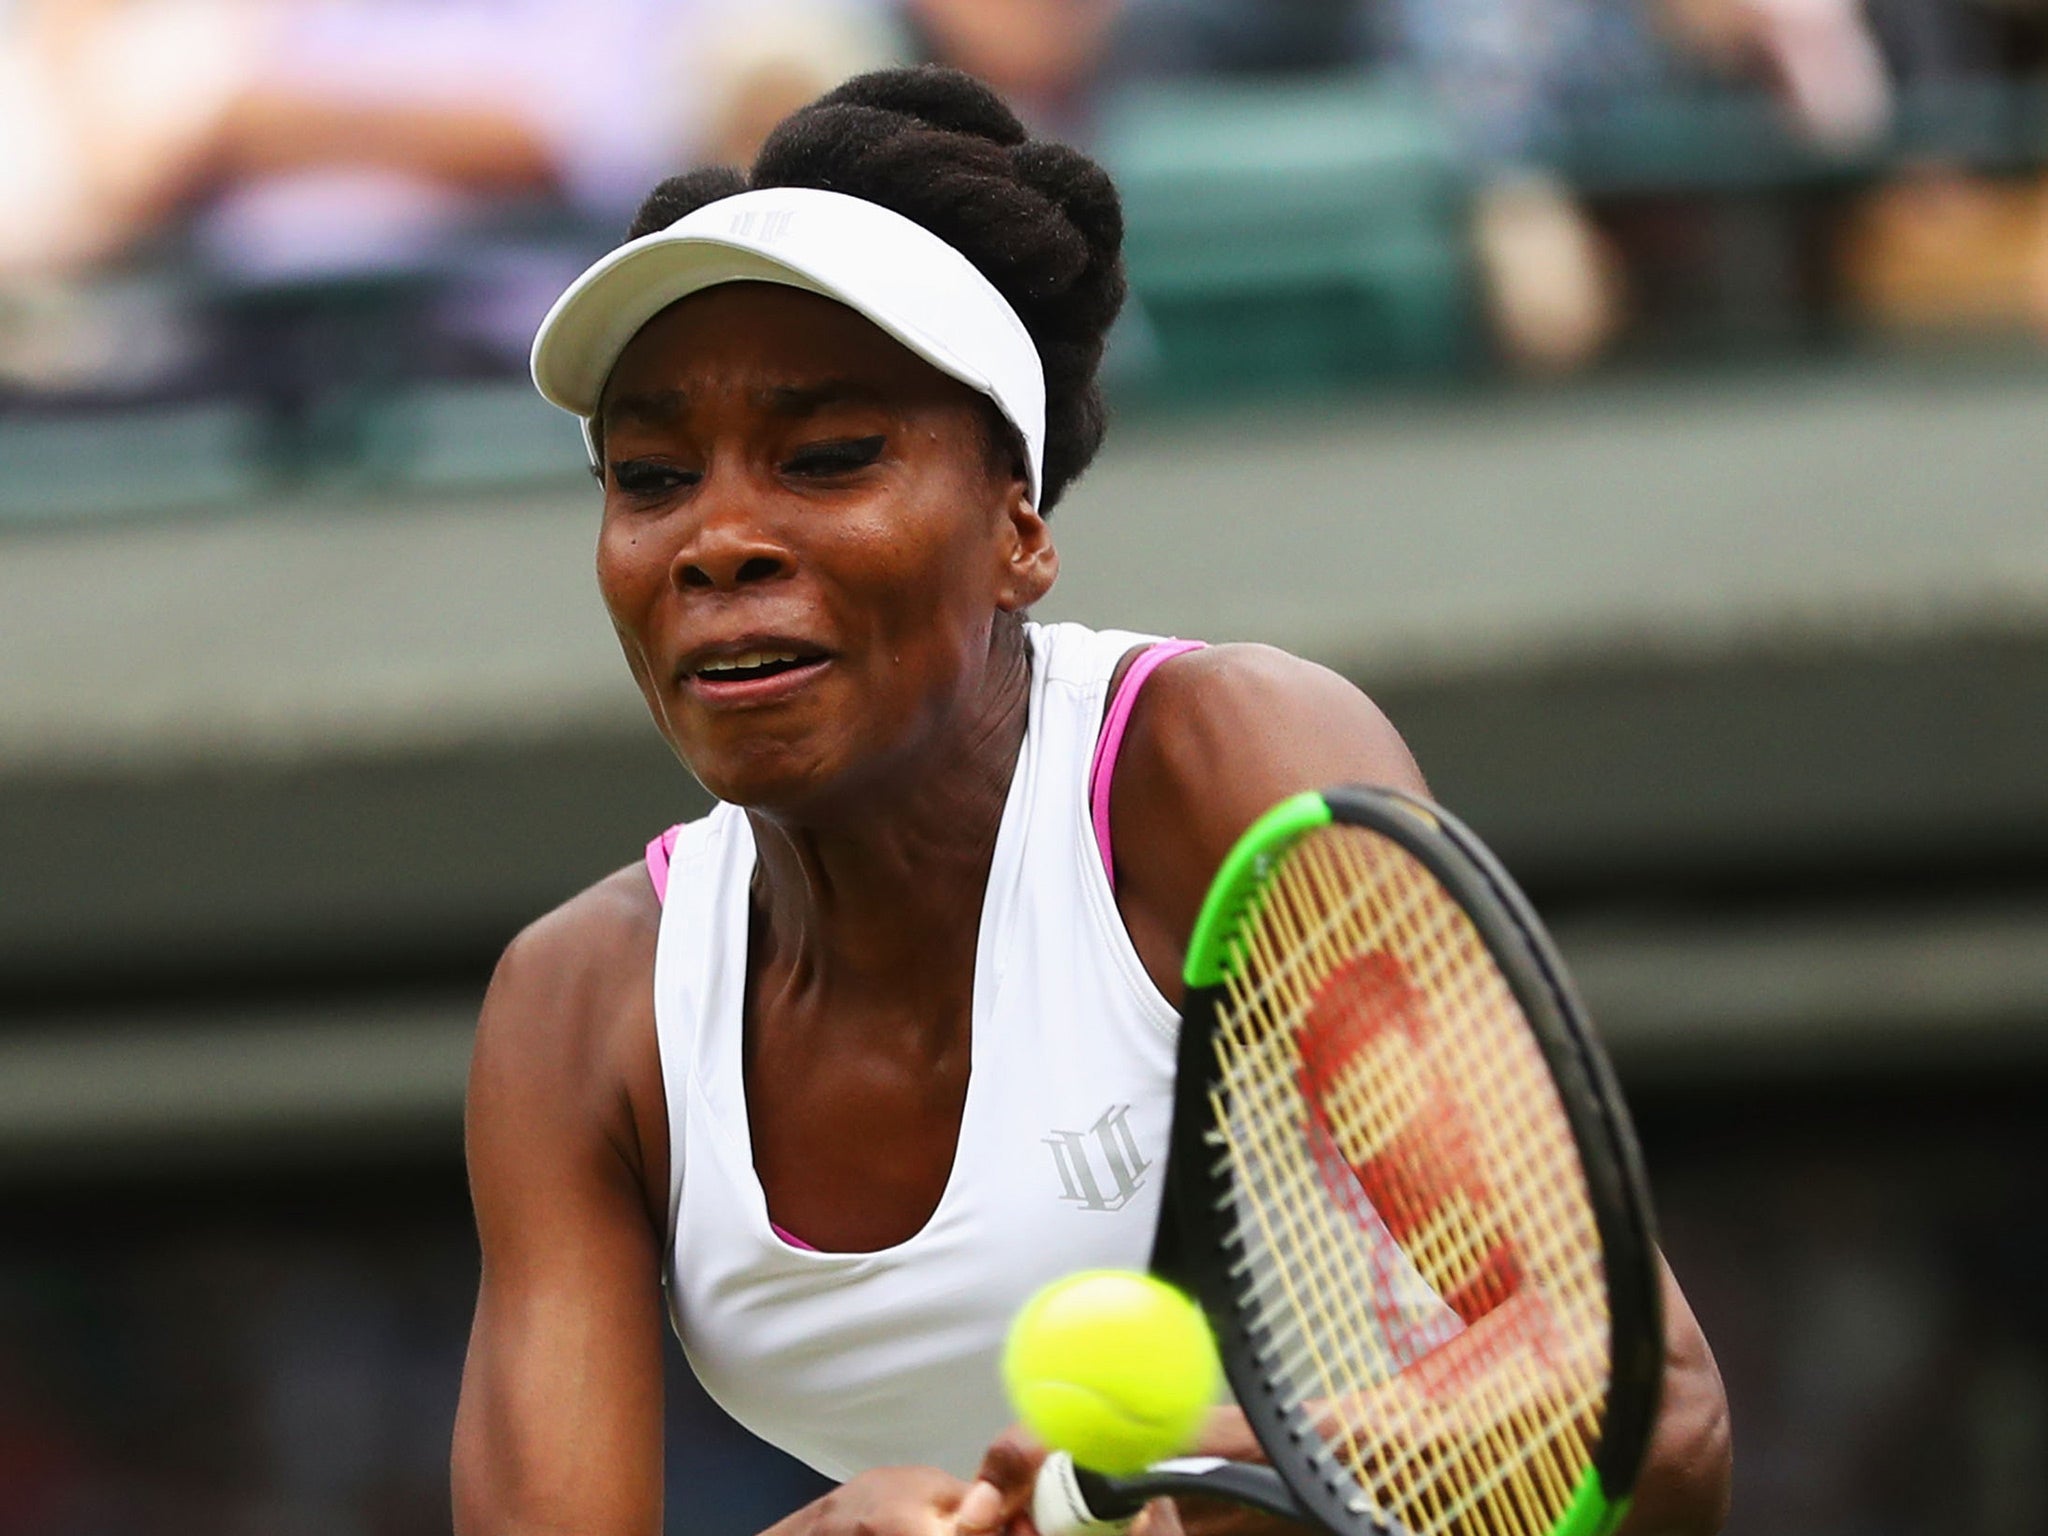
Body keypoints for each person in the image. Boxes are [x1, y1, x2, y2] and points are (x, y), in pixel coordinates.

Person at [451, 64, 1732, 1536]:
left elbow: (1655, 1416)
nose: (718, 539)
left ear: (1017, 527)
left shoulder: (1218, 765)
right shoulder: (574, 1018)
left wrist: (1209, 1476)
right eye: (651, 476)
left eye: (829, 457)